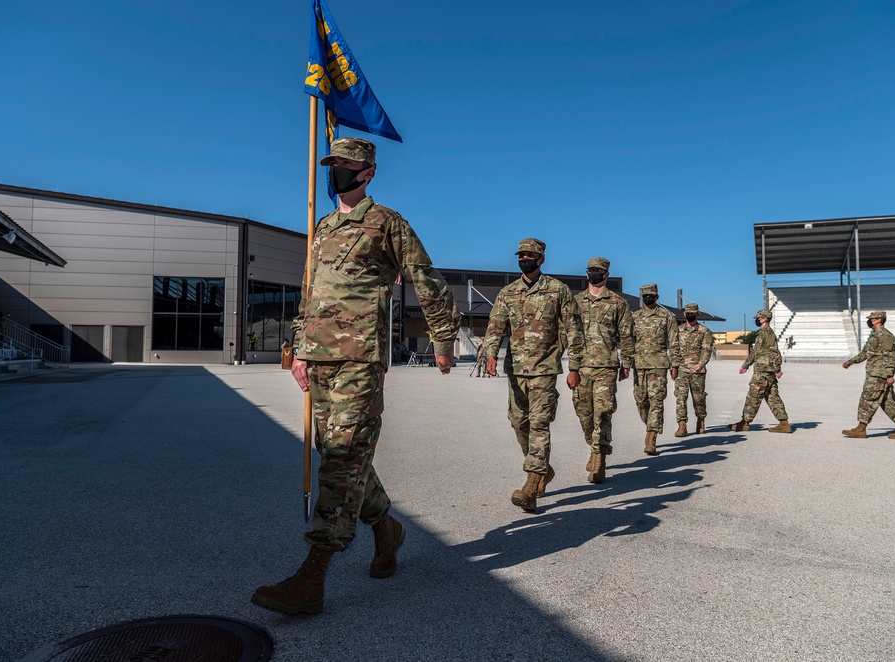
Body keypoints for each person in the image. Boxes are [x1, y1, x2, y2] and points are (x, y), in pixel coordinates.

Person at [252, 137, 461, 616]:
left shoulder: (387, 223)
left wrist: (444, 339)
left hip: (359, 358)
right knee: (338, 451)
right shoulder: (322, 227)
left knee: (342, 460)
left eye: (345, 165)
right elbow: (310, 294)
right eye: (333, 164)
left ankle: (312, 576)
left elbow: (425, 278)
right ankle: (387, 528)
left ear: (367, 173)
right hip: (319, 358)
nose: (336, 171)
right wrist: (300, 349)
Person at [481, 238, 584, 512]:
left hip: (545, 369)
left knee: (539, 423)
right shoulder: (508, 292)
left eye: (530, 255)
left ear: (541, 259)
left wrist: (575, 367)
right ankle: (543, 469)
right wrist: (490, 354)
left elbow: (573, 330)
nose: (524, 258)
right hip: (515, 370)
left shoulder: (557, 290)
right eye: (521, 255)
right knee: (518, 423)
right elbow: (495, 327)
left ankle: (532, 485)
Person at [571, 257, 634, 483]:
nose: (594, 274)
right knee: (583, 413)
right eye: (590, 270)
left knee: (603, 411)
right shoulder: (575, 301)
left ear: (606, 274)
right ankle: (593, 445)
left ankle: (599, 457)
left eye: (598, 271)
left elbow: (627, 335)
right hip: (581, 366)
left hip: (606, 366)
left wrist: (626, 363)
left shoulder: (617, 303)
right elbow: (566, 331)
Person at [842, 311, 895, 439]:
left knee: (867, 399)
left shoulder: (885, 336)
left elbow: (889, 356)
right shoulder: (874, 335)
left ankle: (861, 428)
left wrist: (890, 375)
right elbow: (865, 353)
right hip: (875, 373)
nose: (870, 321)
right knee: (887, 402)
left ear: (879, 320)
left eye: (872, 319)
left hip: (879, 375)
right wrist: (851, 362)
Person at [631, 284, 682, 454]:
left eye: (651, 295)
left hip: (659, 365)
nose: (648, 297)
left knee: (656, 401)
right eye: (645, 295)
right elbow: (627, 341)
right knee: (641, 402)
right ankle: (650, 424)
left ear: (657, 297)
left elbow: (674, 342)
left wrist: (675, 365)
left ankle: (651, 436)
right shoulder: (634, 317)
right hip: (639, 365)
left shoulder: (667, 317)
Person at [730, 309, 792, 433]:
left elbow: (774, 352)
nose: (757, 319)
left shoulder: (768, 333)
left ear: (765, 318)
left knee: (753, 396)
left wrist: (777, 369)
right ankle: (784, 423)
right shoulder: (762, 333)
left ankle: (745, 422)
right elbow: (756, 352)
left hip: (764, 371)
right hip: (764, 369)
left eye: (759, 318)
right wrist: (746, 365)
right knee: (772, 397)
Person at [674, 303, 714, 437]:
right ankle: (682, 425)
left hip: (697, 370)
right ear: (684, 314)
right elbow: (674, 350)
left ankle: (701, 419)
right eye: (688, 313)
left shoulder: (704, 331)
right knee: (680, 398)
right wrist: (673, 366)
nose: (690, 315)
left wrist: (701, 364)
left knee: (699, 398)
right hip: (682, 369)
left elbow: (707, 350)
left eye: (693, 313)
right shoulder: (678, 330)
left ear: (698, 314)